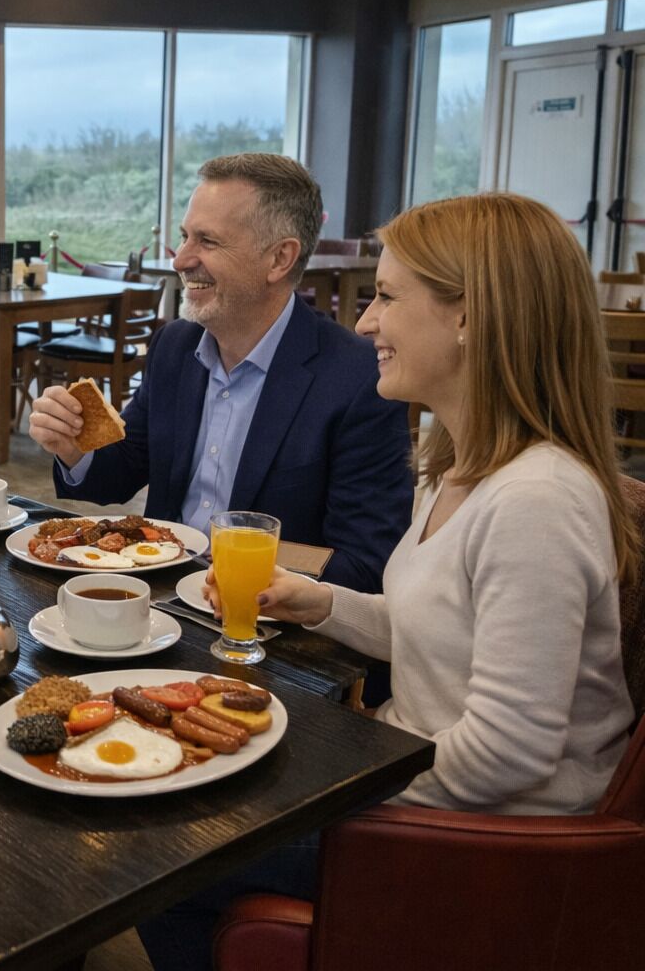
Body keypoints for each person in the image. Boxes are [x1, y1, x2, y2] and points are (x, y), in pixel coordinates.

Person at [138, 191, 638, 969]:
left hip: (486, 842)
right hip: (422, 781)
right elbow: (439, 629)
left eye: (388, 297)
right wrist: (325, 601)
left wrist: (319, 783)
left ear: (468, 317)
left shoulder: (537, 502)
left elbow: (509, 755)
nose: (366, 321)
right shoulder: (458, 470)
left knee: (163, 844)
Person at [29, 153, 412, 592]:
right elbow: (122, 470)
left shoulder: (356, 378)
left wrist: (243, 572)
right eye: (184, 237)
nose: (180, 260)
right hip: (159, 598)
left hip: (266, 626)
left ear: (279, 259)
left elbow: (364, 564)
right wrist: (75, 447)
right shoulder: (175, 346)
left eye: (207, 242)